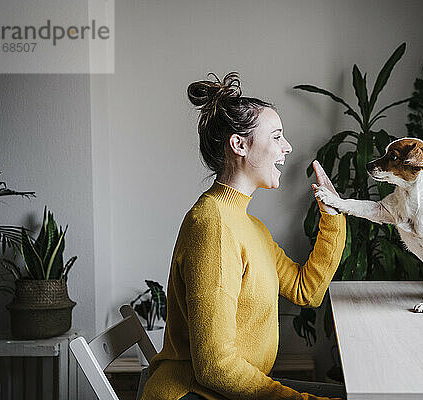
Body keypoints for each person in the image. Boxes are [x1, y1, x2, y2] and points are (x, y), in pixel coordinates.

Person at [141, 72, 347, 400]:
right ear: (239, 145)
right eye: (277, 136)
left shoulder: (249, 225)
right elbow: (215, 367)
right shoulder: (212, 225)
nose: (287, 147)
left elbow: (307, 291)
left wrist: (333, 219)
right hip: (195, 394)